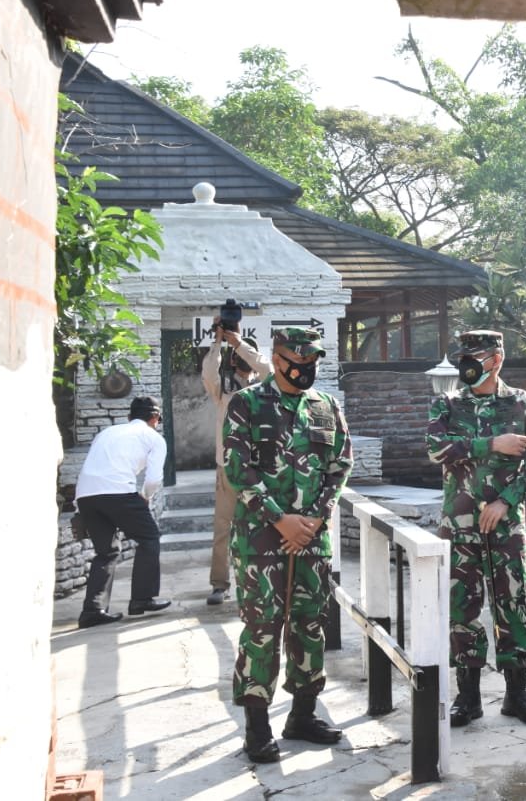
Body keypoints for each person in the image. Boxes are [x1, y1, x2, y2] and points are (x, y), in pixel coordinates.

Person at [223, 327, 353, 764]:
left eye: (312, 361)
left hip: (311, 539)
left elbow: (340, 465)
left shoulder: (325, 405)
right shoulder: (247, 403)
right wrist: (280, 519)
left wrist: (314, 518)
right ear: (277, 359)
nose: (305, 369)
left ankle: (302, 715)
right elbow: (237, 468)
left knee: (309, 625)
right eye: (298, 361)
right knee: (262, 629)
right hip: (261, 539)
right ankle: (257, 728)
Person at [427, 329, 526, 728]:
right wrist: (493, 443)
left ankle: (517, 694)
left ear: (496, 360)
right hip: (459, 525)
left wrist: (506, 500)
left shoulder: (522, 403)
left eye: (474, 356)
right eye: (462, 355)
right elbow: (437, 449)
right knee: (461, 607)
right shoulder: (447, 403)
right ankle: (468, 697)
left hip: (506, 526)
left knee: (512, 603)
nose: (466, 363)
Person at [74, 396, 172, 628]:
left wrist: (78, 507)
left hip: (86, 495)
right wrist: (145, 496)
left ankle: (92, 610)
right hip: (118, 492)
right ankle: (142, 599)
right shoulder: (154, 438)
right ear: (155, 418)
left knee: (106, 552)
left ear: (129, 417)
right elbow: (154, 479)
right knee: (149, 538)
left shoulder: (106, 433)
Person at [201, 317, 271, 605]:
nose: (244, 360)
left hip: (261, 470)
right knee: (223, 528)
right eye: (239, 355)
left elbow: (268, 369)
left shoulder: (267, 388)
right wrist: (219, 341)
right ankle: (220, 584)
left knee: (263, 527)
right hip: (229, 469)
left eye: (247, 354)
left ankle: (261, 582)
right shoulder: (224, 391)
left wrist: (239, 344)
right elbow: (209, 372)